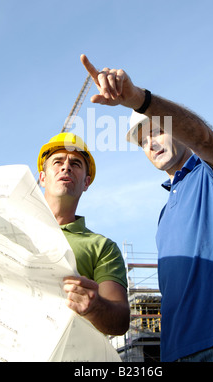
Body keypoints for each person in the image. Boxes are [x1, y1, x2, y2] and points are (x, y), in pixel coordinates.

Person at [80, 54, 213, 362]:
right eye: (142, 141)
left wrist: (139, 100)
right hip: (176, 352)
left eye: (156, 130)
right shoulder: (164, 215)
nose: (150, 143)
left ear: (176, 131)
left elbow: (203, 137)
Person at [37, 132, 130, 336]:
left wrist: (96, 307)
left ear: (86, 183)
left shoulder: (102, 247)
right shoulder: (14, 226)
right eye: (58, 161)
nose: (66, 166)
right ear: (42, 178)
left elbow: (121, 320)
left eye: (76, 164)